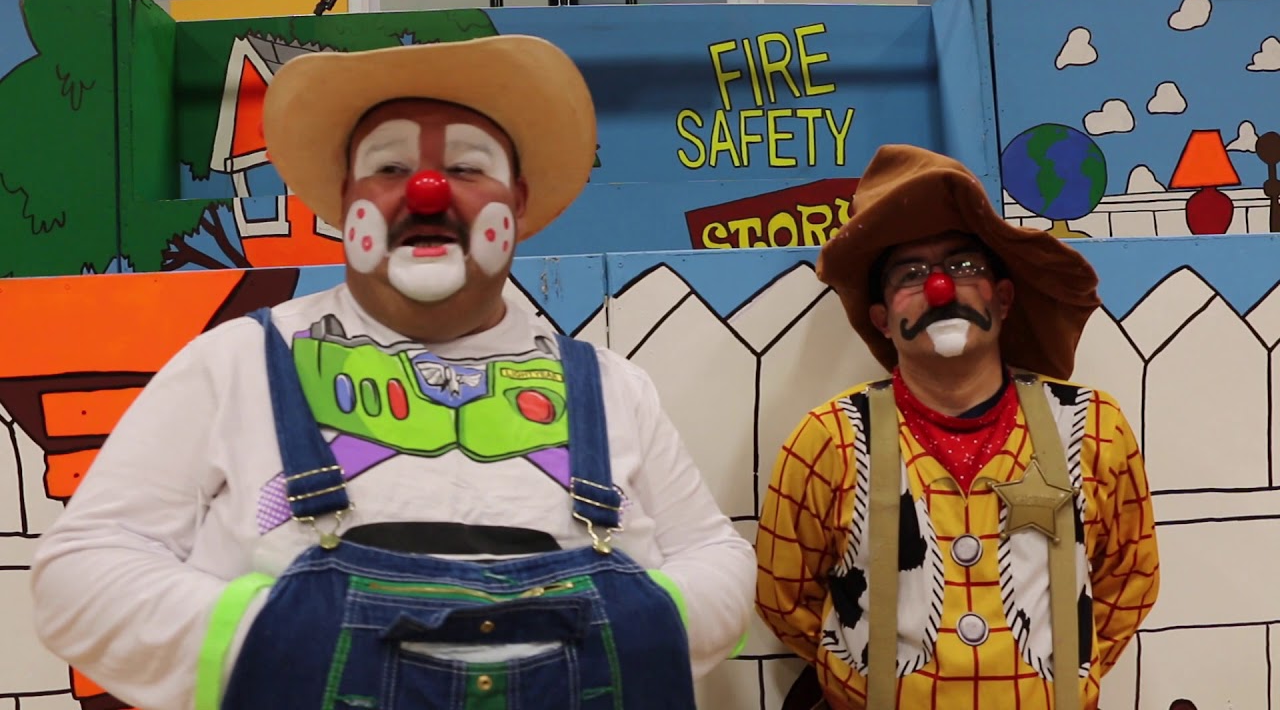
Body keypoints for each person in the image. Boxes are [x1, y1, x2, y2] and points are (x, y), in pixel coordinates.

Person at [31, 35, 754, 710]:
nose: (427, 191)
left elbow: (714, 555)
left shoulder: (611, 386)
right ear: (347, 205)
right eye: (388, 169)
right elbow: (81, 572)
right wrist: (269, 639)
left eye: (467, 168)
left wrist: (643, 627)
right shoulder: (236, 361)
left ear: (517, 205)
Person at [754, 144, 1160, 710]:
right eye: (910, 274)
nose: (940, 288)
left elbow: (1131, 575)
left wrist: (1059, 676)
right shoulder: (827, 440)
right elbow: (783, 595)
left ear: (1004, 297)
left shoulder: (1094, 425)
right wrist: (860, 677)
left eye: (964, 267)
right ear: (882, 319)